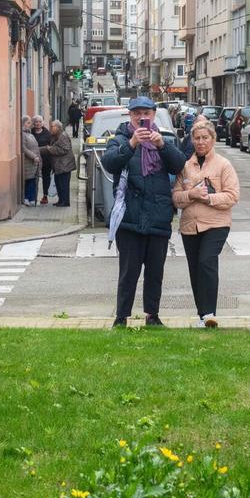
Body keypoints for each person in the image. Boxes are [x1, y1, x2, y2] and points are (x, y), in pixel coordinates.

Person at [102, 97, 187, 328]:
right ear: (130, 116)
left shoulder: (164, 139)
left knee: (155, 271)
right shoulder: (119, 138)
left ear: (153, 115)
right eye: (137, 113)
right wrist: (131, 144)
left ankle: (152, 315)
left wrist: (162, 146)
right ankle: (121, 317)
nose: (142, 118)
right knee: (129, 271)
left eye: (146, 113)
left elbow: (179, 165)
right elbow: (109, 163)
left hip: (158, 214)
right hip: (130, 215)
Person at [172, 119, 240, 328]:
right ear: (192, 140)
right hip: (190, 225)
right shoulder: (185, 166)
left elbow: (232, 196)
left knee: (206, 262)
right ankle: (203, 315)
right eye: (197, 138)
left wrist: (209, 198)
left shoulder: (223, 164)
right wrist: (191, 194)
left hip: (216, 224)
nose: (201, 142)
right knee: (195, 269)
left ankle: (210, 313)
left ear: (213, 139)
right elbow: (175, 196)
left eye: (205, 138)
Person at [41, 120, 76, 207]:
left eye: (52, 127)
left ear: (58, 127)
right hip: (59, 165)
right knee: (59, 184)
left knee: (63, 184)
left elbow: (65, 149)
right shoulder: (55, 136)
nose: (51, 128)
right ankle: (61, 200)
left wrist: (50, 149)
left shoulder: (62, 136)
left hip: (64, 165)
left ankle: (65, 202)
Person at [32, 115, 53, 204]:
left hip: (46, 160)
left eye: (40, 122)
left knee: (46, 178)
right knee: (33, 178)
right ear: (33, 123)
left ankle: (45, 195)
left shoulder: (47, 134)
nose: (38, 123)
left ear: (42, 123)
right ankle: (33, 197)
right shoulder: (30, 132)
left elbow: (50, 147)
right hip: (33, 159)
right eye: (36, 121)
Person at [21, 116, 42, 205]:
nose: (31, 124)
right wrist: (34, 156)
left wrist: (38, 158)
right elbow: (24, 148)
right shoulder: (22, 135)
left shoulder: (30, 134)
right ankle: (27, 198)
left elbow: (35, 147)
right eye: (29, 123)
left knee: (33, 181)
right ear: (23, 124)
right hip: (28, 162)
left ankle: (32, 199)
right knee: (28, 181)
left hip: (34, 163)